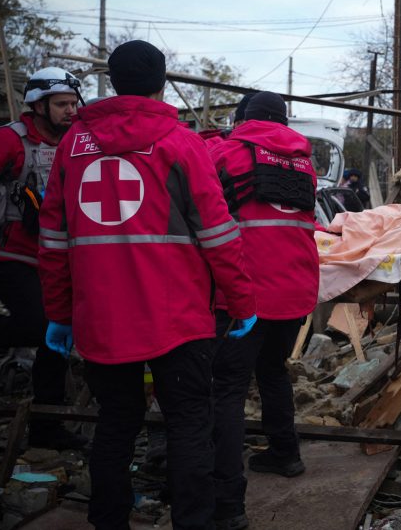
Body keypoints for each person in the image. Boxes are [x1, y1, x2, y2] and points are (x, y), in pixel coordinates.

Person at [38, 40, 258, 529]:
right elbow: (219, 235)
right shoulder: (181, 143)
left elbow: (52, 239)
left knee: (116, 422)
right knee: (188, 425)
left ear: (112, 83)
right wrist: (242, 303)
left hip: (101, 318)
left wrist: (59, 313)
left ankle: (108, 521)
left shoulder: (72, 146)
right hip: (178, 318)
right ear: (162, 84)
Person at [208, 91, 319, 529]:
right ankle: (285, 453)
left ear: (242, 118)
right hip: (296, 290)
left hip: (245, 294)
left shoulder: (226, 152)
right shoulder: (304, 161)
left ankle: (228, 504)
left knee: (227, 389)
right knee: (273, 371)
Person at [0, 68, 86, 449]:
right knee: (39, 326)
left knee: (56, 335)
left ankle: (47, 426)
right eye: (62, 104)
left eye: (73, 103)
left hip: (50, 255)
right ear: (38, 105)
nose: (70, 111)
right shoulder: (9, 141)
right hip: (6, 252)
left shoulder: (75, 143)